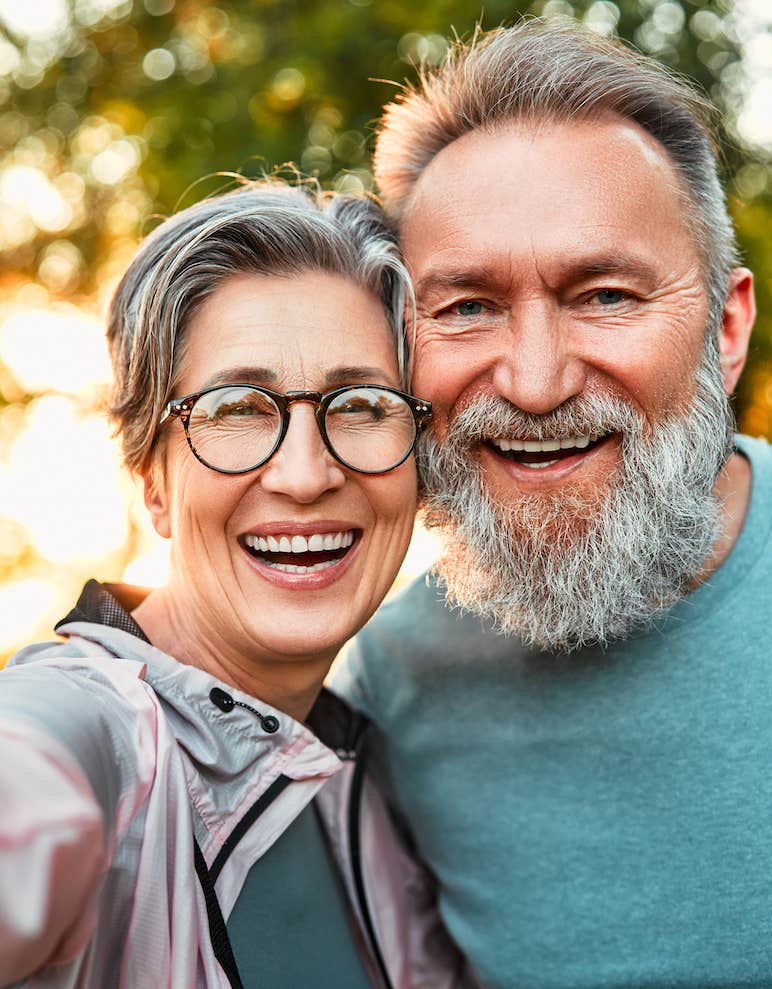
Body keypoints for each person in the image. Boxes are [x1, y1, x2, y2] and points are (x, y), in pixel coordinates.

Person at [335, 18, 772, 989]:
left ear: (726, 326)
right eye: (465, 307)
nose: (532, 382)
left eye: (605, 295)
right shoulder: (395, 681)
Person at [0, 181, 468, 989]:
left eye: (359, 403)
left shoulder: (367, 786)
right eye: (237, 408)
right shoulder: (89, 734)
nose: (306, 472)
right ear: (151, 478)